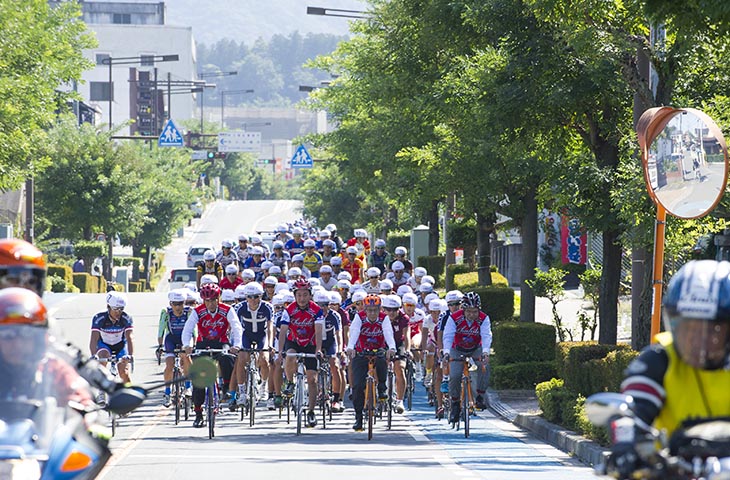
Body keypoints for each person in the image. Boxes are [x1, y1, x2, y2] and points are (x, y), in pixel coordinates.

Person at [612, 260, 730, 477]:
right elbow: (633, 410)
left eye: (713, 330)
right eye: (688, 328)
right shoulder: (659, 359)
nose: (698, 340)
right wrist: (626, 445)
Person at [0, 287, 94, 409]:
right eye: (8, 336)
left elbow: (77, 393)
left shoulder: (52, 368)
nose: (17, 344)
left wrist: (85, 412)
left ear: (39, 338)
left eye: (26, 334)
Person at [182, 283, 242, 428]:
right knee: (199, 379)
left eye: (213, 300)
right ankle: (198, 413)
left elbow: (236, 326)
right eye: (207, 300)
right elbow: (188, 329)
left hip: (221, 342)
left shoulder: (227, 310)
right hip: (203, 344)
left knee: (227, 358)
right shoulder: (198, 311)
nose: (210, 303)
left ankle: (227, 388)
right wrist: (187, 345)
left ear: (218, 298)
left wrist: (237, 345)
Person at [278, 278, 324, 428]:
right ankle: (290, 382)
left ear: (310, 295)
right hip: (294, 341)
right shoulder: (289, 310)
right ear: (295, 295)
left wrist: (318, 350)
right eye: (299, 295)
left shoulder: (316, 310)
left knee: (312, 379)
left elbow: (318, 331)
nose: (302, 298)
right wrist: (280, 352)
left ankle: (311, 411)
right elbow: (283, 331)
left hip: (310, 343)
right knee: (290, 354)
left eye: (305, 295)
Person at [346, 294, 396, 431]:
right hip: (361, 351)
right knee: (357, 386)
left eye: (375, 310)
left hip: (378, 349)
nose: (372, 313)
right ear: (365, 309)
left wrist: (391, 348)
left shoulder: (384, 318)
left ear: (380, 309)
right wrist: (350, 348)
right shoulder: (359, 317)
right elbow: (354, 332)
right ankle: (358, 417)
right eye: (369, 310)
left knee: (382, 360)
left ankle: (381, 387)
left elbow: (388, 334)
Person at [443, 292, 491, 423]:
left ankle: (480, 396)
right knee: (455, 375)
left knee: (484, 366)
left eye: (474, 311)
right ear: (463, 309)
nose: (472, 315)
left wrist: (486, 352)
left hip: (476, 348)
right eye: (468, 311)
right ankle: (454, 405)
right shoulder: (454, 318)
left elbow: (486, 335)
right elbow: (448, 336)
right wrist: (446, 352)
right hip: (457, 348)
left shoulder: (483, 318)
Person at [232, 282, 274, 410]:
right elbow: (236, 327)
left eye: (256, 297)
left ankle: (263, 386)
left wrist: (270, 344)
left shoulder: (267, 307)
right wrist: (236, 345)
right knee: (242, 358)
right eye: (250, 297)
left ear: (261, 296)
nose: (253, 300)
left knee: (264, 359)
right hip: (246, 335)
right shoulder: (240, 308)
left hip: (261, 335)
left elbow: (270, 328)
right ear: (246, 297)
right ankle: (242, 391)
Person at [90, 291, 134, 391]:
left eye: (121, 309)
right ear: (108, 307)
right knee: (102, 361)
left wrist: (130, 355)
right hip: (104, 345)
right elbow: (94, 339)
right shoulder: (99, 318)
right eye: (115, 309)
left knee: (124, 373)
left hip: (120, 346)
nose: (118, 312)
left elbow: (129, 337)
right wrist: (93, 355)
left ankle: (130, 393)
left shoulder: (126, 318)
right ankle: (101, 392)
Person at [157, 289, 192, 407]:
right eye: (175, 304)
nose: (177, 307)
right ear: (170, 304)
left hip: (185, 338)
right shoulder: (166, 312)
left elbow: (194, 330)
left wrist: (194, 343)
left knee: (186, 357)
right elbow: (161, 330)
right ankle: (167, 393)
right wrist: (160, 345)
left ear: (184, 303)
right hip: (171, 339)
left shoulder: (189, 311)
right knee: (169, 364)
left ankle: (188, 387)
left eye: (180, 304)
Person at [382, 294, 410, 413]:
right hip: (383, 343)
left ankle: (400, 400)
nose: (391, 313)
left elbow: (407, 335)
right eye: (388, 310)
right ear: (384, 309)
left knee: (400, 368)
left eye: (395, 310)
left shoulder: (404, 318)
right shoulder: (380, 317)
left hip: (399, 343)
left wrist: (408, 350)